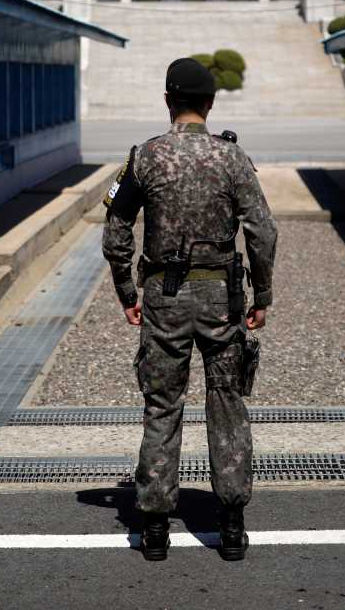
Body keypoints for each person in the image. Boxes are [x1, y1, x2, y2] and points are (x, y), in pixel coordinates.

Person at [102, 57, 277, 563]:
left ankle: (155, 526)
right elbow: (263, 230)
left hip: (163, 299)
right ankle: (231, 522)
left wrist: (127, 294)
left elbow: (116, 232)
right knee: (226, 400)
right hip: (222, 299)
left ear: (167, 101)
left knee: (162, 404)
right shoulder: (232, 159)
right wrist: (262, 296)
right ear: (211, 102)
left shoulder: (144, 158)